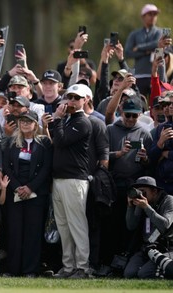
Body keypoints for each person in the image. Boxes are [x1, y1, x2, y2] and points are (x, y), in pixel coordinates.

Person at [3, 111, 53, 277]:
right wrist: (17, 187)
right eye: (22, 121)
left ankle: (30, 269)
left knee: (33, 232)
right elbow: (7, 167)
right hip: (15, 191)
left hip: (37, 192)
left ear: (35, 124)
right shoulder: (11, 142)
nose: (25, 124)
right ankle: (13, 269)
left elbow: (46, 168)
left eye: (28, 121)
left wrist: (31, 187)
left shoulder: (44, 143)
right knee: (15, 231)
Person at [52, 84, 92, 278]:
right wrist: (56, 121)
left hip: (74, 180)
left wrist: (57, 119)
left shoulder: (82, 122)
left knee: (77, 224)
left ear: (85, 100)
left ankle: (82, 267)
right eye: (70, 97)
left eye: (77, 98)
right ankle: (68, 266)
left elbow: (61, 141)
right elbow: (57, 141)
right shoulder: (67, 120)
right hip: (60, 179)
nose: (73, 101)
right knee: (63, 226)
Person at [106, 98, 153, 263]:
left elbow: (150, 165)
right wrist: (118, 154)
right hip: (112, 185)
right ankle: (109, 261)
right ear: (121, 112)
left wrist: (145, 158)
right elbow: (100, 157)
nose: (131, 119)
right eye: (128, 115)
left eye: (135, 116)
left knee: (131, 226)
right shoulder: (110, 130)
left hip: (134, 187)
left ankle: (126, 260)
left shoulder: (144, 133)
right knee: (112, 225)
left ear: (140, 115)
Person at [123, 176, 173, 279]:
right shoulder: (141, 203)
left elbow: (164, 226)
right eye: (137, 191)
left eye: (143, 192)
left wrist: (147, 207)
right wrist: (130, 207)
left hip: (167, 248)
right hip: (148, 248)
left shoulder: (169, 200)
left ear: (154, 191)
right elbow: (131, 226)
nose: (140, 195)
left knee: (144, 274)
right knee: (129, 273)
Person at [124, 4, 163, 97]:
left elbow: (157, 44)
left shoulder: (159, 32)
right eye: (150, 14)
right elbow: (128, 52)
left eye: (155, 14)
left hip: (155, 75)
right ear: (143, 17)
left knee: (156, 102)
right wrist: (146, 52)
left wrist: (139, 47)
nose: (153, 17)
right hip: (139, 75)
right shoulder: (135, 34)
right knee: (139, 102)